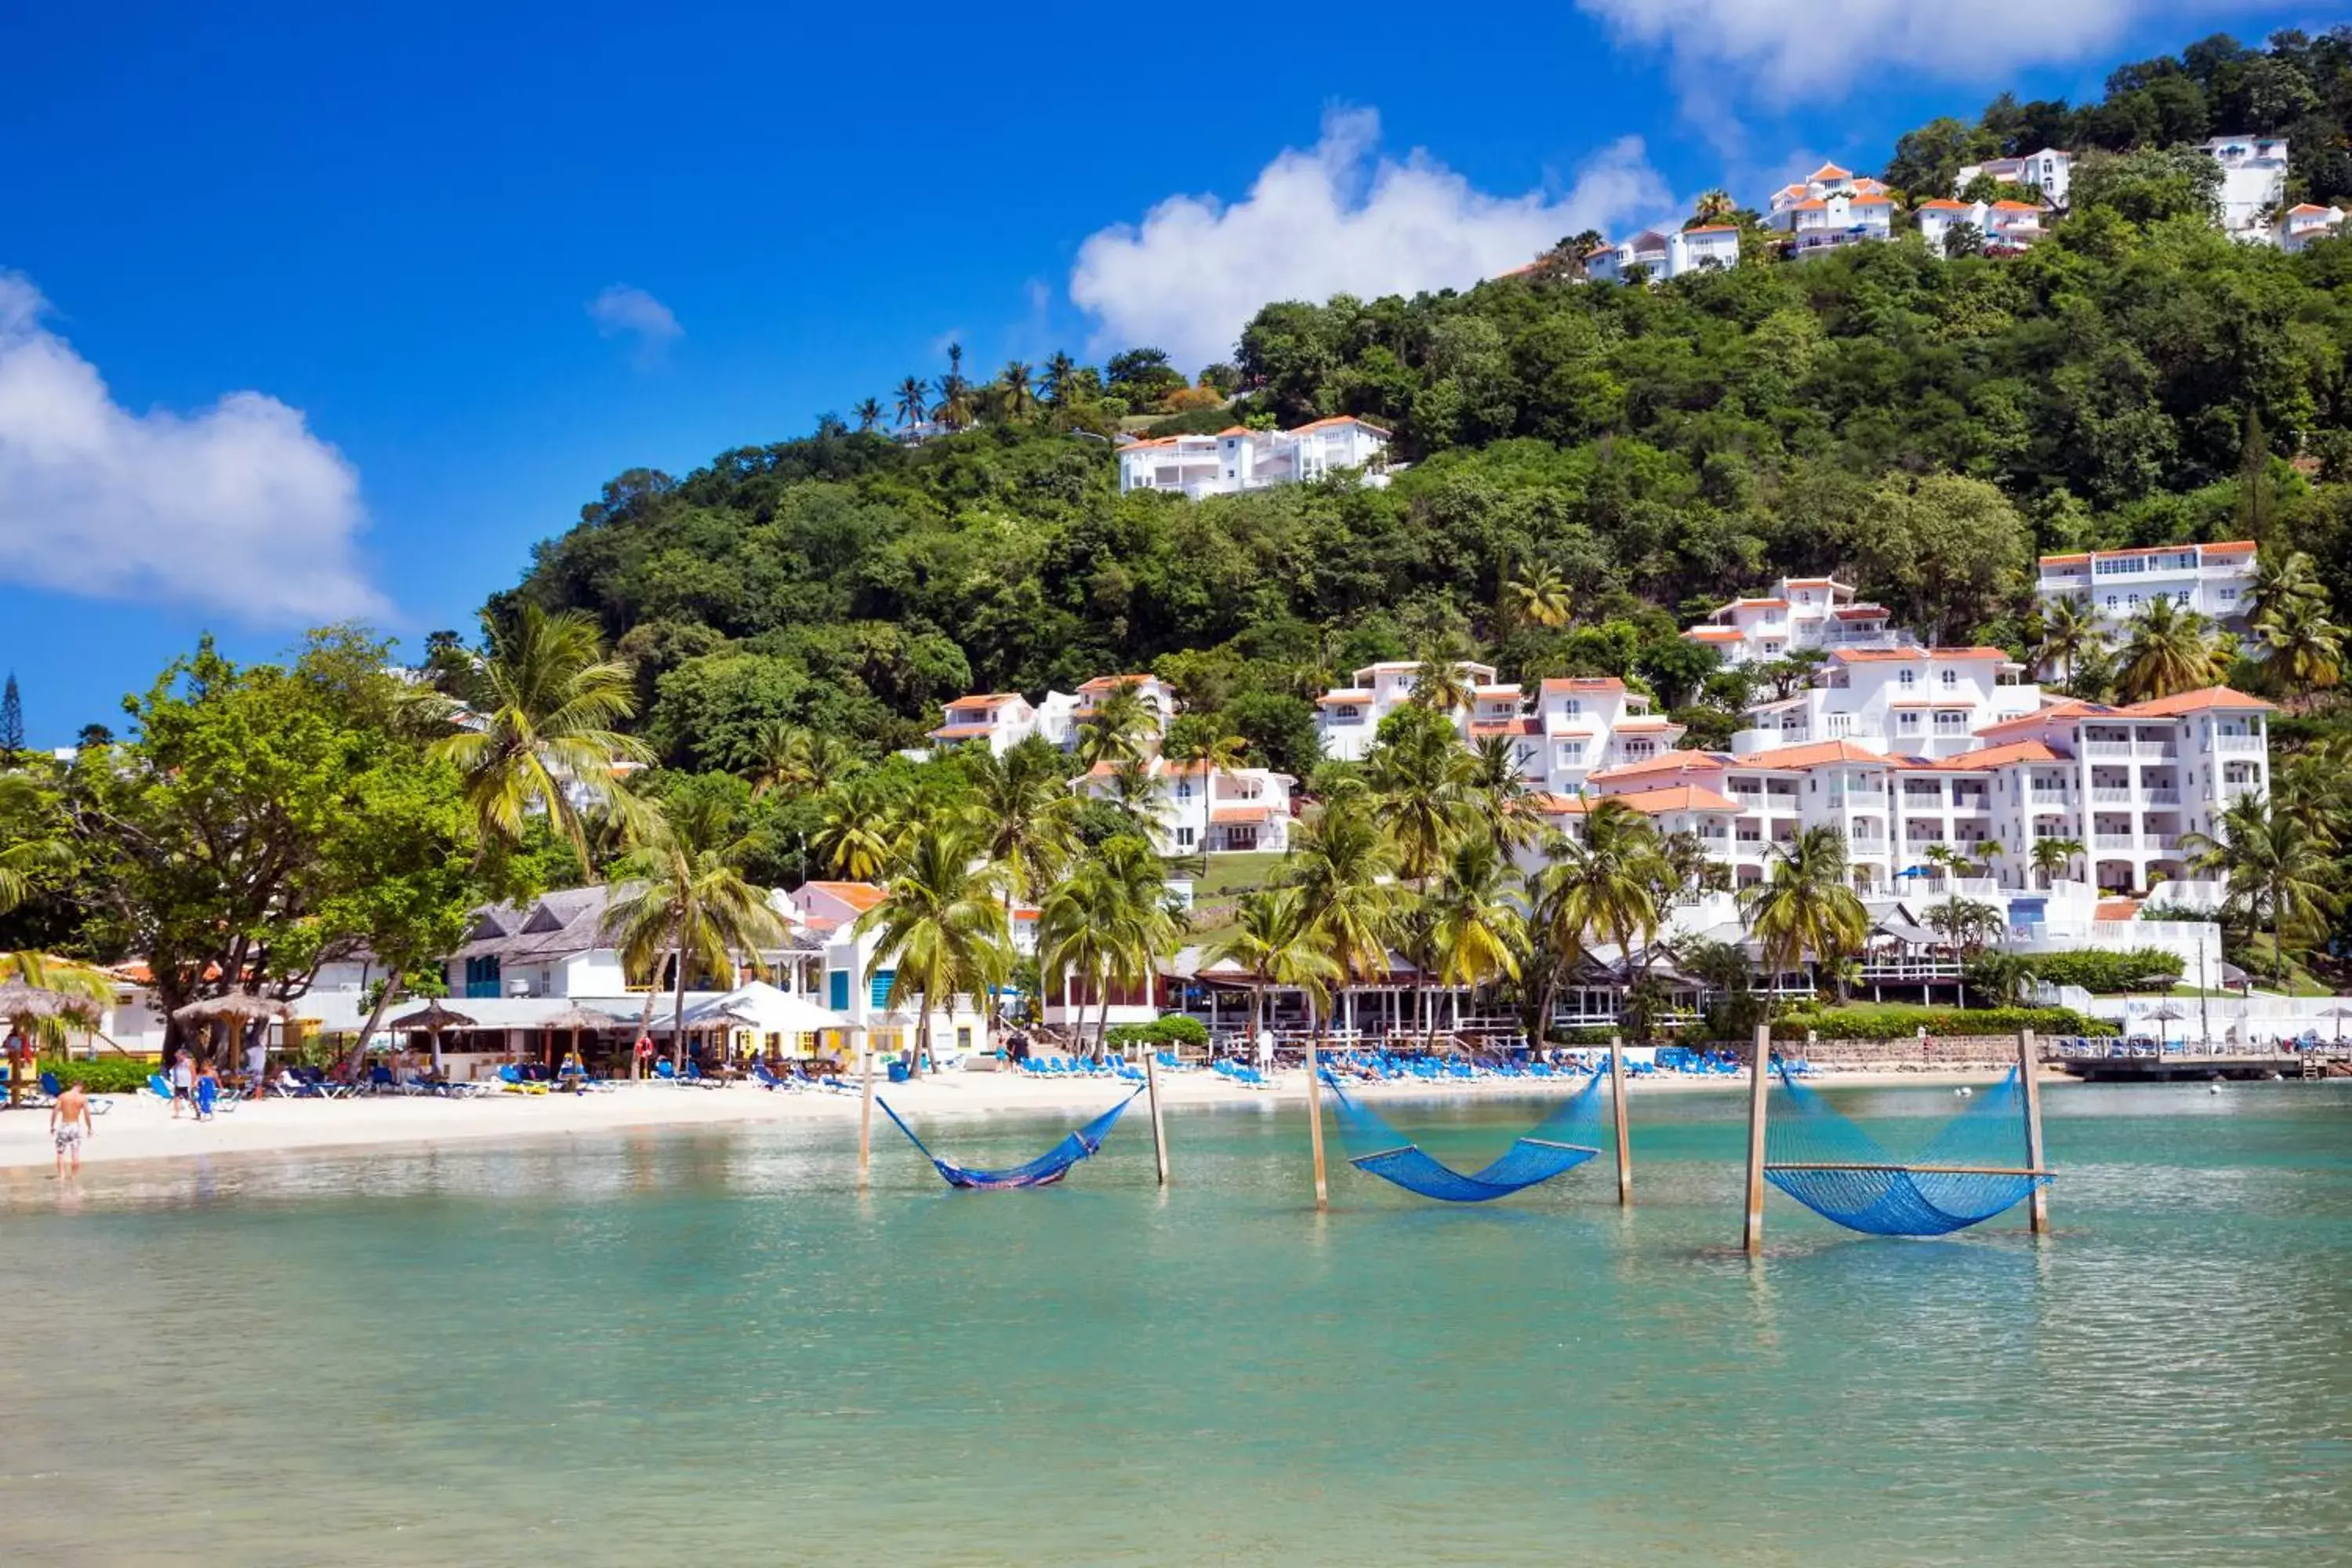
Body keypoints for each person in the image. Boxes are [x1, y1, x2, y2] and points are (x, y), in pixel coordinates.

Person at [50, 1079, 93, 1177]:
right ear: (81, 1087)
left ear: (73, 1085)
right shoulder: (82, 1098)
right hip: (75, 1126)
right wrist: (89, 1128)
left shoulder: (63, 1096)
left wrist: (52, 1126)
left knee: (60, 1152)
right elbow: (87, 1114)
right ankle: (74, 1177)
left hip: (64, 1125)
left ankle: (62, 1177)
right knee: (75, 1152)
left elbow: (55, 1111)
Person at [168, 1049, 194, 1118]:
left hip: (187, 1084)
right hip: (178, 1084)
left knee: (191, 1098)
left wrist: (193, 1083)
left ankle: (198, 1112)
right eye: (176, 1057)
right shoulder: (177, 1063)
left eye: (178, 1056)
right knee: (176, 1098)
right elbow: (174, 1072)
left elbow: (193, 1073)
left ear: (183, 1055)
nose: (177, 1058)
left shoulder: (189, 1062)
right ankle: (177, 1113)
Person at [193, 1057, 220, 1121]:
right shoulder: (202, 1073)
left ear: (209, 1066)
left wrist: (221, 1088)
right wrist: (195, 1084)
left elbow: (218, 1080)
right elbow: (197, 1079)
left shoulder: (213, 1073)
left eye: (205, 1065)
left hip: (209, 1090)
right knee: (200, 1101)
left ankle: (204, 1115)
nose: (203, 1067)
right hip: (202, 1090)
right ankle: (209, 1112)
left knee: (206, 1102)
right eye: (203, 1065)